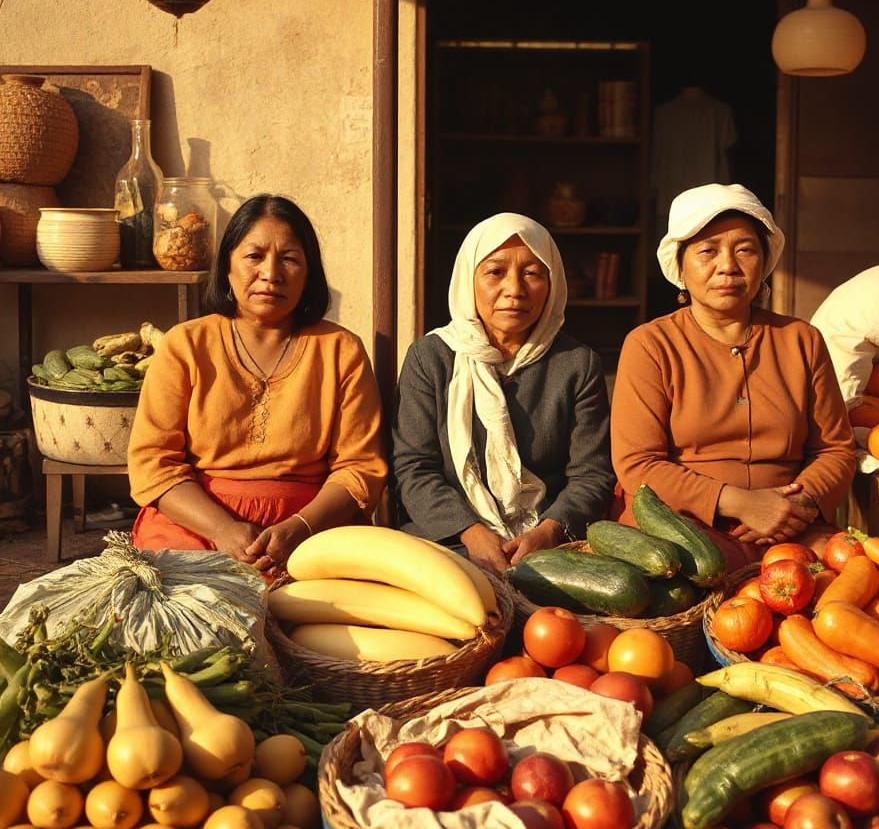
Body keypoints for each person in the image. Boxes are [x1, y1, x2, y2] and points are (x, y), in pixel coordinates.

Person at [128, 194, 387, 577]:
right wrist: (221, 529)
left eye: (290, 259)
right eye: (254, 256)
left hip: (311, 530)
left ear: (309, 274)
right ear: (228, 266)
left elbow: (359, 469)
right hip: (195, 526)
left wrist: (299, 528)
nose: (271, 273)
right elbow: (154, 464)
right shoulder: (185, 345)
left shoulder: (341, 350)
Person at [612, 183, 855, 550]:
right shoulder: (650, 345)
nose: (727, 266)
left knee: (858, 584)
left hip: (792, 527)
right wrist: (742, 503)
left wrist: (796, 505)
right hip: (679, 531)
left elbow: (835, 450)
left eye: (745, 250)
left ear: (764, 262)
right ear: (680, 265)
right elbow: (638, 463)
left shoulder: (801, 340)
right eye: (707, 251)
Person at [392, 212, 616, 576]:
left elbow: (591, 475)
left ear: (553, 282)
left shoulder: (576, 364)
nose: (515, 289)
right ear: (469, 279)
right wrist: (471, 532)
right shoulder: (430, 358)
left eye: (532, 273)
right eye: (495, 272)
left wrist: (549, 530)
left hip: (550, 545)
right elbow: (413, 468)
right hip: (447, 541)